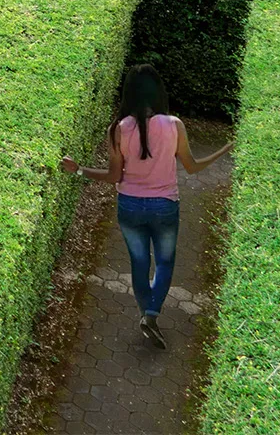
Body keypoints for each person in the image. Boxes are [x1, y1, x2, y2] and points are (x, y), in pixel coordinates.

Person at [61, 65, 232, 348]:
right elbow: (191, 167)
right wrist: (222, 151)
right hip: (165, 206)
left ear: (129, 93)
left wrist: (79, 169)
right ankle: (151, 314)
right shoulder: (174, 125)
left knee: (139, 264)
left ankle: (145, 315)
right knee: (164, 262)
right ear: (158, 92)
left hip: (129, 206)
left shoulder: (117, 129)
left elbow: (113, 176)